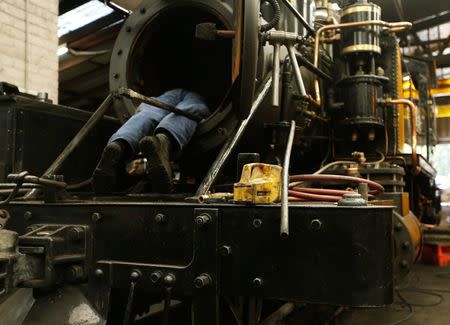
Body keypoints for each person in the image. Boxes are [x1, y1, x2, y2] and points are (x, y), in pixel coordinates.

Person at [92, 89, 210, 194]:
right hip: (197, 94)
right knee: (190, 109)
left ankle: (120, 144)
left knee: (149, 111)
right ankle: (163, 141)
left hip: (169, 92)